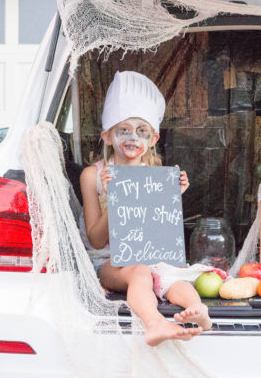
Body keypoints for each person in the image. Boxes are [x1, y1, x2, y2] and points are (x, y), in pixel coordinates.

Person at [79, 71, 212, 346]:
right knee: (140, 273)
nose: (132, 137)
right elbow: (95, 239)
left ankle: (200, 312)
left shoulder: (154, 173)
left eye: (142, 131)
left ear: (153, 139)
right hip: (108, 262)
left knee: (171, 277)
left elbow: (158, 233)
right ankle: (154, 324)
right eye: (123, 129)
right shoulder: (93, 176)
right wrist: (116, 198)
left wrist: (173, 197)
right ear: (107, 136)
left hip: (148, 256)